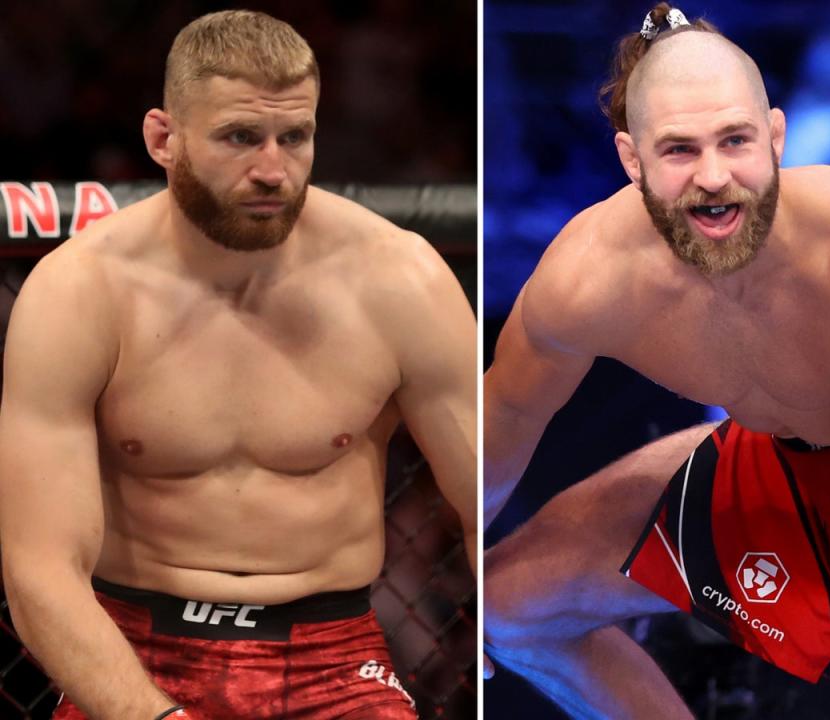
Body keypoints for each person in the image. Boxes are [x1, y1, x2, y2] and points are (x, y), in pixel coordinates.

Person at [484, 3, 830, 718]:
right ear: (632, 159)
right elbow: (505, 416)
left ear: (774, 138)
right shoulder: (586, 277)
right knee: (509, 606)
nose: (713, 177)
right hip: (791, 468)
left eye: (734, 141)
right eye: (679, 151)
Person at [0, 10, 476, 720]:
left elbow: (486, 511)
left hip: (335, 662)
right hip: (133, 655)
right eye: (240, 138)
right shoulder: (80, 292)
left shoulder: (399, 281)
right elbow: (39, 569)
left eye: (296, 137)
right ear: (163, 139)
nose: (273, 170)